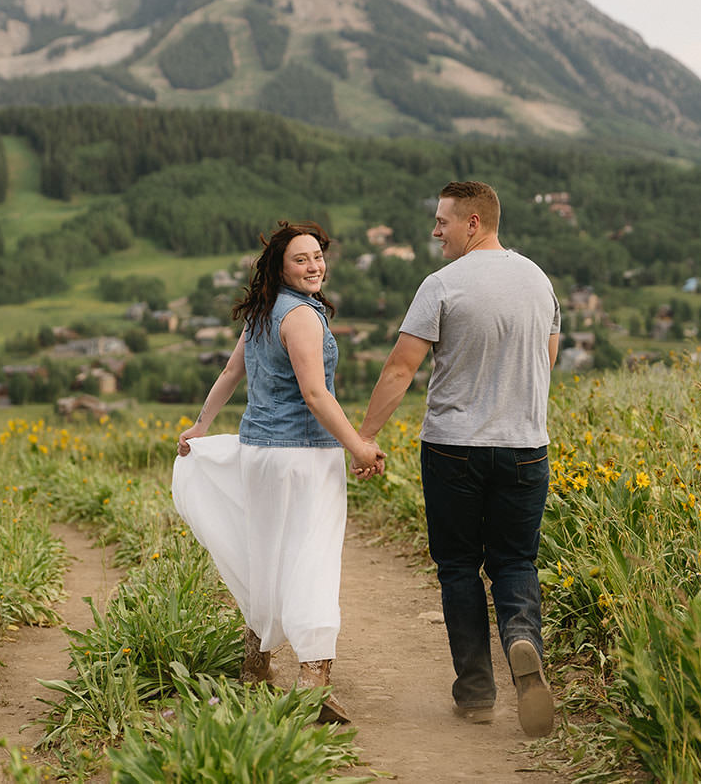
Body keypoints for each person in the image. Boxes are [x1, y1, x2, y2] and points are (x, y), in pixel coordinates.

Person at [358, 181, 560, 737]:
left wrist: (365, 436)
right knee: (516, 562)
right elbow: (547, 360)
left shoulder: (442, 285)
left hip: (453, 447)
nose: (435, 231)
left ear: (473, 222)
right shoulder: (539, 282)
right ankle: (521, 641)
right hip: (525, 448)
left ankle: (475, 691)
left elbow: (401, 368)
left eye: (442, 221)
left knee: (458, 568)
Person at [173, 221, 385, 724]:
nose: (315, 266)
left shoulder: (263, 314)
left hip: (259, 454)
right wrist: (357, 446)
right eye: (301, 259)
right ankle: (314, 682)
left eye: (317, 256)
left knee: (265, 554)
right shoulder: (303, 319)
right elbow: (316, 395)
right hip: (304, 458)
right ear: (281, 267)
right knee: (313, 558)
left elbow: (230, 374)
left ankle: (256, 666)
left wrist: (201, 426)